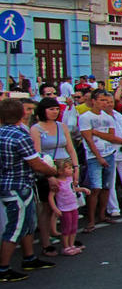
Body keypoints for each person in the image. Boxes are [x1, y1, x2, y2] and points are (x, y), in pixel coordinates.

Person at [0, 98, 59, 281]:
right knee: (16, 227)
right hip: (18, 185)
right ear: (21, 114)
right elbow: (35, 163)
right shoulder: (20, 135)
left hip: (10, 183)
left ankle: (29, 257)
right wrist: (53, 171)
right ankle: (3, 268)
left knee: (27, 223)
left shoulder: (3, 132)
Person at [30, 98, 79, 255]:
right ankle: (46, 243)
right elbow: (37, 153)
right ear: (42, 111)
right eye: (51, 109)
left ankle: (68, 237)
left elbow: (70, 148)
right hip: (48, 169)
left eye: (56, 109)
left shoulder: (61, 126)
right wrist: (48, 175)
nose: (54, 112)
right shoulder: (36, 129)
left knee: (67, 203)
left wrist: (76, 167)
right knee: (47, 207)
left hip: (65, 169)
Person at [78, 90, 122, 233]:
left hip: (109, 153)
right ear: (93, 101)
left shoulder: (108, 117)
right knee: (95, 188)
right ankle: (91, 220)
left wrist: (96, 132)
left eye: (107, 101)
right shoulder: (85, 117)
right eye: (102, 100)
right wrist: (99, 157)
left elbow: (111, 136)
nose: (105, 103)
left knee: (107, 186)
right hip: (94, 156)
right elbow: (88, 139)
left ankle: (102, 214)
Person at [49, 158, 89, 255]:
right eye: (68, 168)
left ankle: (71, 245)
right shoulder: (57, 183)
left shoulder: (69, 180)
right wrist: (55, 208)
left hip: (73, 206)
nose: (72, 170)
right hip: (64, 208)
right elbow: (51, 196)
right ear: (60, 171)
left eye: (71, 168)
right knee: (66, 228)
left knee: (73, 227)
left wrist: (82, 189)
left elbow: (73, 189)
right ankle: (66, 246)